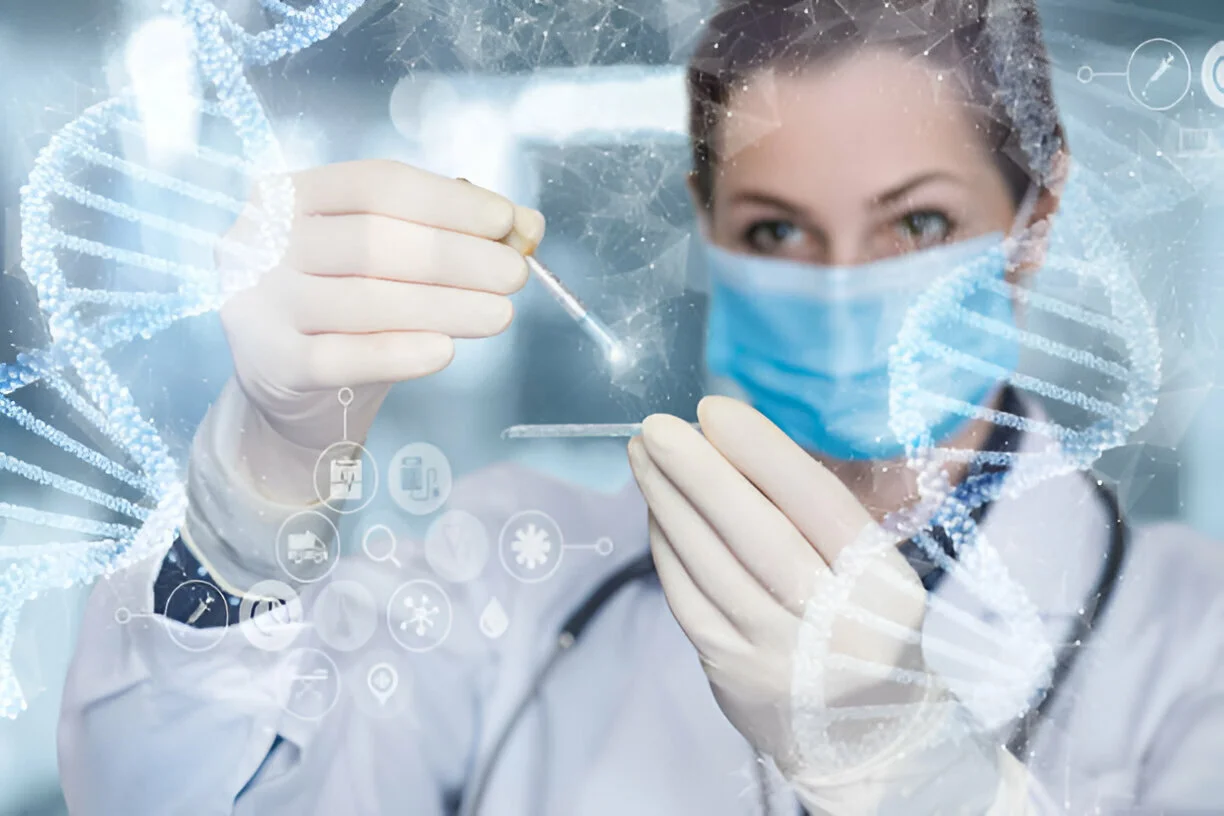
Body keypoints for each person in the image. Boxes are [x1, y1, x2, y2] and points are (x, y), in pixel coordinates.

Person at [58, 0, 1224, 813]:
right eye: (775, 228)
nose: (838, 284)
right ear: (706, 222)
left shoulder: (1188, 647)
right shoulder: (516, 587)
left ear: (1036, 219)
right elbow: (163, 793)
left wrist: (917, 773)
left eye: (916, 223)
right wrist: (260, 479)